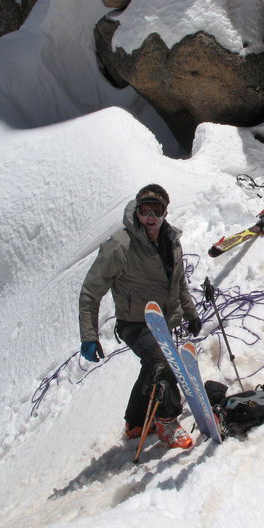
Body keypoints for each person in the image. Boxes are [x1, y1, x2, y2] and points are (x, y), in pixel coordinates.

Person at [78, 184, 203, 449]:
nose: (150, 216)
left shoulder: (171, 242)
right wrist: (89, 336)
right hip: (134, 322)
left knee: (152, 365)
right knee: (164, 361)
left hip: (163, 323)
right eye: (145, 209)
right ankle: (167, 421)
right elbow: (91, 291)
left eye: (156, 210)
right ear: (137, 211)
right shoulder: (120, 245)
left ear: (165, 213)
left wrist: (190, 314)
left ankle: (134, 421)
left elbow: (178, 283)